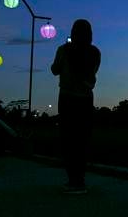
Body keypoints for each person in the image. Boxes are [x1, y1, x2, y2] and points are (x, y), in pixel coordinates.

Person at [51, 19, 101, 194]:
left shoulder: (64, 50)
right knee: (82, 139)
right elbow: (93, 73)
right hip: (86, 99)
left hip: (67, 98)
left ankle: (73, 179)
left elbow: (54, 69)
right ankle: (80, 179)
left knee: (68, 138)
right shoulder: (95, 52)